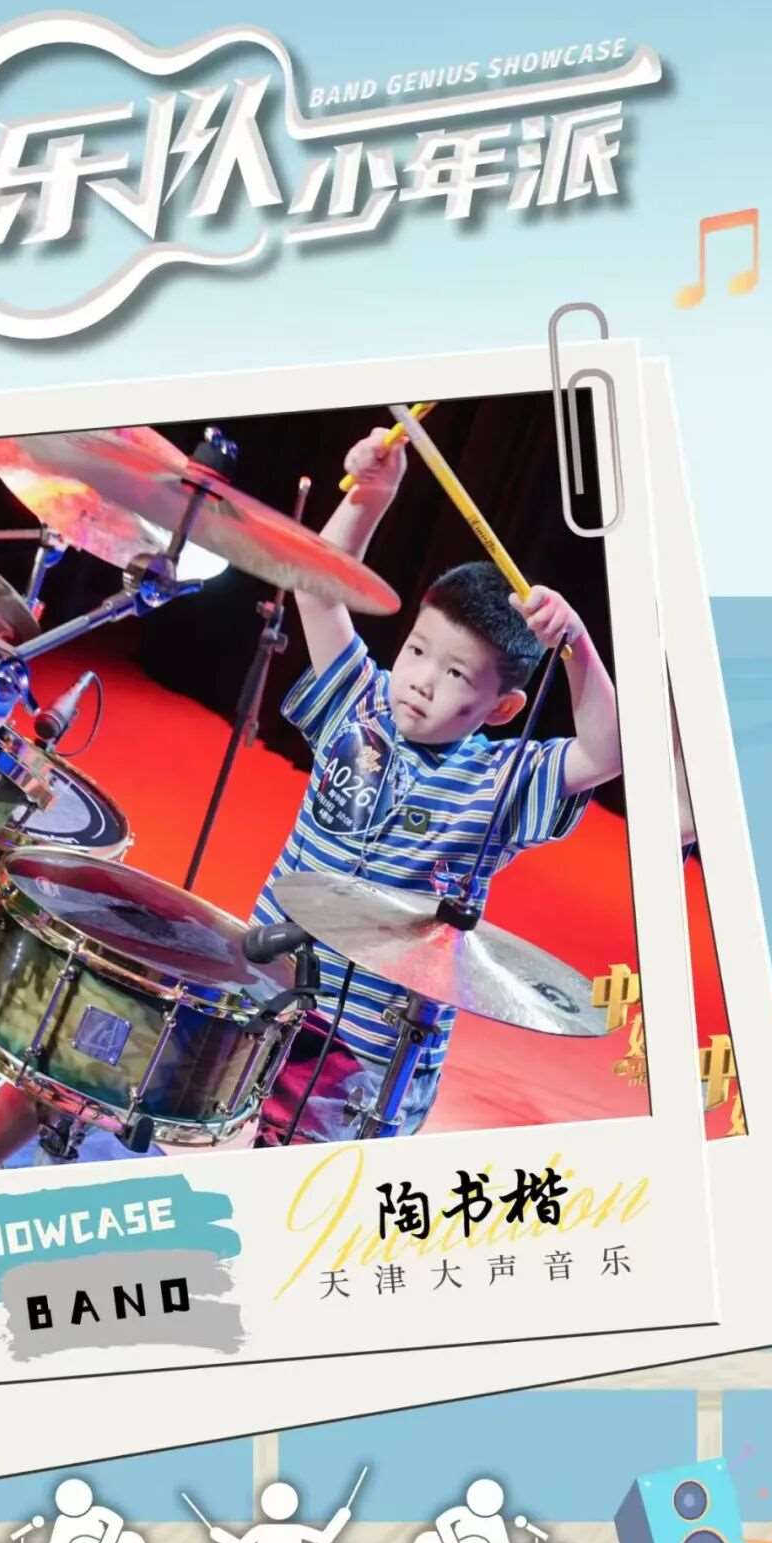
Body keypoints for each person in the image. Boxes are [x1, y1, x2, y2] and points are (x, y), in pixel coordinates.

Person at [252, 424, 621, 1146]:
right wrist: (371, 496)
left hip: (363, 1049)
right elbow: (315, 586)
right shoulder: (357, 701)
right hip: (268, 977)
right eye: (418, 650)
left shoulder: (501, 779)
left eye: (455, 674)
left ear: (502, 709)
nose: (421, 680)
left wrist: (576, 644)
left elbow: (606, 752)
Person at [206, 1479, 351, 1543]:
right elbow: (325, 1538)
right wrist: (343, 1515)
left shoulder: (261, 1530)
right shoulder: (296, 1530)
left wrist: (218, 1535)